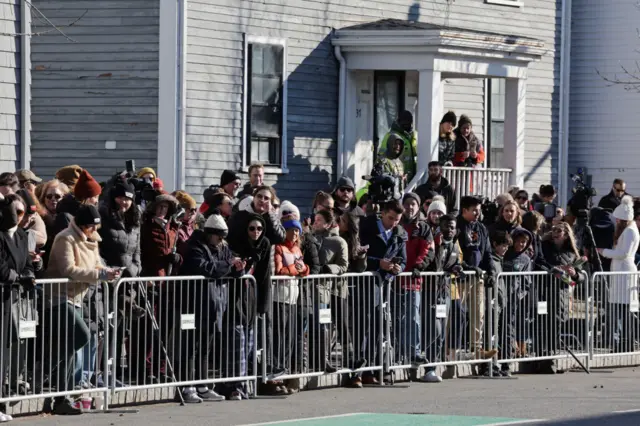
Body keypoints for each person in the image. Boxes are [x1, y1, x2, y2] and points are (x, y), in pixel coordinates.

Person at [46, 204, 120, 414]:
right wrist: (100, 276)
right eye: (91, 227)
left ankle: (63, 396)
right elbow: (68, 269)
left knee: (70, 347)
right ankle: (48, 370)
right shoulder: (65, 238)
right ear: (82, 225)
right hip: (58, 296)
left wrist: (108, 272)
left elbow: (95, 265)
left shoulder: (93, 240)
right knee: (81, 336)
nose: (94, 232)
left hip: (77, 297)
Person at [177, 210, 244, 403]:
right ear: (209, 233)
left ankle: (203, 385)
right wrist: (229, 265)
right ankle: (186, 386)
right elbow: (207, 269)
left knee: (205, 347)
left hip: (215, 305)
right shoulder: (195, 246)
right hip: (193, 303)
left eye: (223, 236)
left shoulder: (224, 248)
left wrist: (238, 268)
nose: (221, 239)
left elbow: (229, 269)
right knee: (190, 346)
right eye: (218, 235)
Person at [358, 199, 407, 385]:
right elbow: (359, 253)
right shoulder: (367, 227)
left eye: (397, 219)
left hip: (386, 285)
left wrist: (397, 268)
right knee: (365, 326)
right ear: (383, 213)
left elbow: (403, 260)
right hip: (368, 284)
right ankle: (361, 368)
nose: (393, 222)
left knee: (379, 328)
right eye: (390, 218)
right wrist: (378, 263)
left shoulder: (399, 233)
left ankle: (372, 367)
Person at [0, 193, 35, 422]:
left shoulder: (22, 235)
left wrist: (30, 273)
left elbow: (28, 263)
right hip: (4, 294)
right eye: (15, 211)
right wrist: (16, 277)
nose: (18, 217)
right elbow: (1, 268)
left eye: (21, 212)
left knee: (7, 352)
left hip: (12, 300)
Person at [539, 222, 585, 374]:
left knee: (557, 324)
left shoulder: (571, 252)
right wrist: (554, 269)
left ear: (566, 234)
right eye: (553, 230)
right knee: (544, 325)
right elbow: (540, 263)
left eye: (559, 231)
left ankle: (551, 356)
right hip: (545, 289)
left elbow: (581, 277)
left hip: (562, 293)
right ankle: (543, 358)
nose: (555, 233)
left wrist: (574, 274)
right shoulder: (544, 246)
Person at [398, 193, 435, 378]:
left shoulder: (424, 228)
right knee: (396, 319)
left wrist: (419, 265)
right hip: (395, 279)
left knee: (413, 318)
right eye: (407, 204)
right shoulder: (397, 224)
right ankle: (398, 355)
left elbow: (428, 250)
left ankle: (414, 353)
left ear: (418, 206)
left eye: (413, 204)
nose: (410, 207)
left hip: (413, 281)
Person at [597, 196, 640, 352]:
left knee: (625, 310)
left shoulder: (629, 231)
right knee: (620, 309)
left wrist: (604, 252)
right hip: (620, 272)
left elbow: (623, 253)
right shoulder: (629, 229)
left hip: (625, 273)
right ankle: (622, 341)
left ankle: (626, 342)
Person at [272, 217, 309, 394]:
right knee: (279, 340)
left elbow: (304, 269)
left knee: (289, 340)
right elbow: (280, 271)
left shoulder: (296, 248)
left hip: (293, 299)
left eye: (297, 230)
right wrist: (297, 269)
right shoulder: (279, 248)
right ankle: (277, 377)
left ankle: (286, 375)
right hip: (279, 298)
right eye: (291, 230)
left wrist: (303, 269)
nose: (295, 233)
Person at [456, 196, 496, 360]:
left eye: (479, 211)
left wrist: (491, 270)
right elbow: (456, 253)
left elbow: (487, 252)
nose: (477, 214)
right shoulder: (457, 226)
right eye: (474, 210)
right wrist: (468, 267)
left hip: (478, 277)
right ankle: (452, 348)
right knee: (457, 314)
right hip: (460, 278)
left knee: (478, 314)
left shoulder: (481, 228)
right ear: (464, 210)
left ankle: (477, 348)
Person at [312, 209, 349, 375]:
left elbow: (343, 265)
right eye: (315, 219)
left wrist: (328, 269)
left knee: (324, 325)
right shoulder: (309, 238)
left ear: (328, 223)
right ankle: (308, 361)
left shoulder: (338, 242)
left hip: (326, 291)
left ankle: (323, 360)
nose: (315, 222)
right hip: (307, 289)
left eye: (319, 220)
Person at [501, 228, 534, 375]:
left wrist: (518, 295)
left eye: (524, 242)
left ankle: (506, 363)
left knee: (509, 329)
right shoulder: (505, 253)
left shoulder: (526, 259)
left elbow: (527, 282)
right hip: (499, 295)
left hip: (513, 299)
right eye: (519, 241)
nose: (521, 244)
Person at [54, 169, 102, 237]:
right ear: (85, 198)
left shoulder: (91, 214)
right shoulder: (66, 216)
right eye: (95, 197)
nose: (97, 201)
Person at [37, 179, 70, 268]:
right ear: (44, 199)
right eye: (49, 196)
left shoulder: (69, 217)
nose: (53, 199)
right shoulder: (38, 217)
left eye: (57, 196)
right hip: (44, 264)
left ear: (64, 197)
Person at [378, 110, 418, 182]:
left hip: (412, 178)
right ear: (399, 122)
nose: (406, 125)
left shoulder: (414, 135)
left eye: (408, 123)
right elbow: (382, 157)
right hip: (397, 177)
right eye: (404, 123)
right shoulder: (391, 136)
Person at [172, 190, 197, 257]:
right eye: (191, 210)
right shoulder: (175, 228)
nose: (194, 213)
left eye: (195, 209)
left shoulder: (194, 226)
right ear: (181, 210)